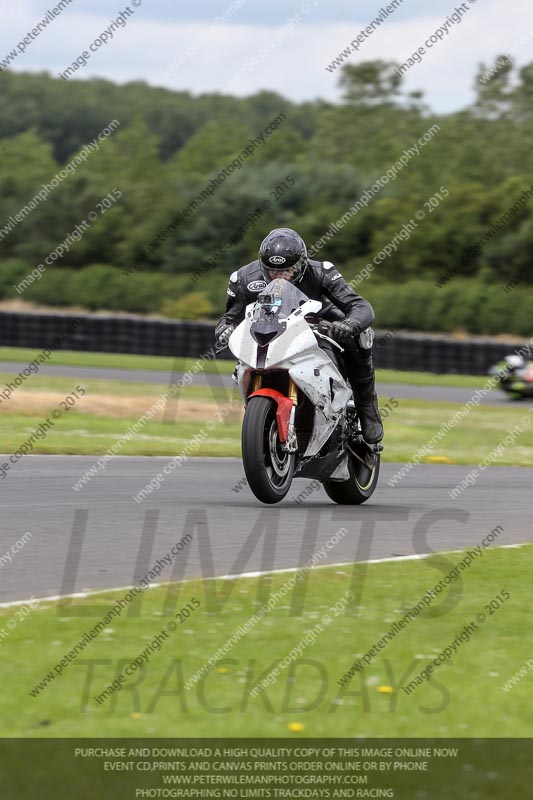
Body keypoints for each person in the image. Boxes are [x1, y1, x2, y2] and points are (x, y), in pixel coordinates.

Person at [214, 227, 383, 444]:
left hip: (317, 321)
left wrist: (348, 325)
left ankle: (367, 406)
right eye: (272, 271)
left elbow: (360, 305)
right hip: (269, 329)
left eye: (287, 271)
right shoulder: (244, 278)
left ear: (301, 264)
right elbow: (229, 318)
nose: (279, 276)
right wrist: (223, 331)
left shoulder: (322, 271)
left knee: (362, 335)